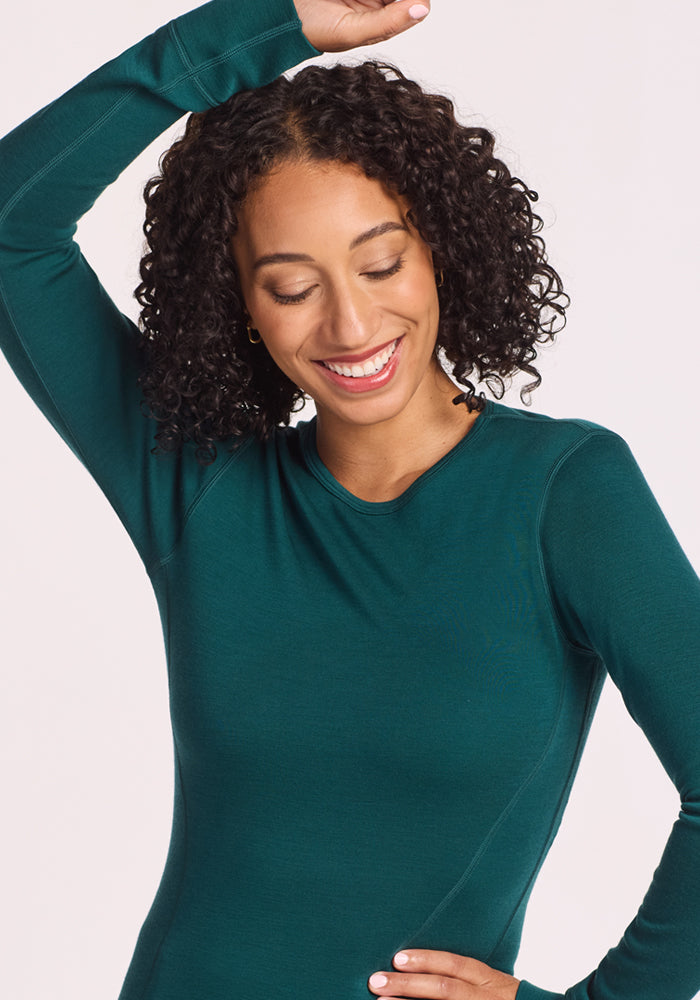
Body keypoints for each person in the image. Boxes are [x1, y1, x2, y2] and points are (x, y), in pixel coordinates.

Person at [0, 1, 698, 999]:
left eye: (380, 263)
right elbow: (9, 226)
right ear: (234, 299)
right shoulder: (200, 486)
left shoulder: (562, 492)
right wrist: (262, 25)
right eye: (290, 285)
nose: (352, 320)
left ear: (441, 247)